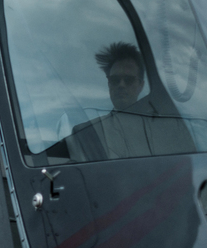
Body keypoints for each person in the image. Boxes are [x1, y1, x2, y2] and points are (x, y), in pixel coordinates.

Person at [66, 42, 194, 161]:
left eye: (128, 80)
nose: (121, 85)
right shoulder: (86, 133)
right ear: (109, 84)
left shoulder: (169, 131)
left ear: (141, 85)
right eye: (115, 80)